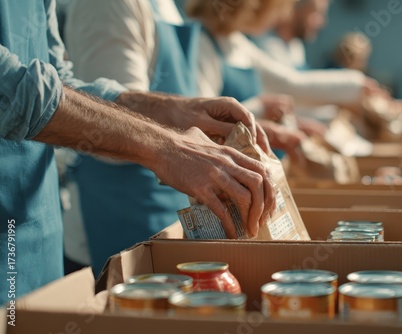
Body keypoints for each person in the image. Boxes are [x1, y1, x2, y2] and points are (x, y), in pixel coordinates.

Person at [0, 0, 275, 304]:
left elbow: (59, 82)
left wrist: (169, 109)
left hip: (41, 226)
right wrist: (166, 145)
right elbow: (13, 91)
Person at [64, 0, 304, 274]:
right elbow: (104, 121)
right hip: (122, 213)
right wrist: (176, 147)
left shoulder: (167, 7)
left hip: (170, 211)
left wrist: (221, 131)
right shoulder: (109, 6)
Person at [187, 0, 379, 112]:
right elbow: (199, 118)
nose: (281, 16)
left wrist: (358, 86)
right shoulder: (201, 41)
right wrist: (261, 110)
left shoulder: (235, 41)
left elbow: (292, 84)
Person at [251, 0, 330, 70]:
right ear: (293, 8)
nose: (322, 23)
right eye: (317, 13)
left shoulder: (295, 46)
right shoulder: (264, 44)